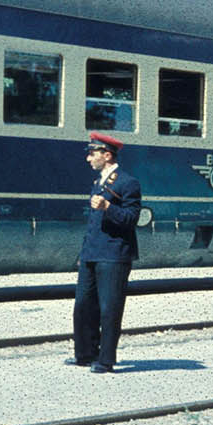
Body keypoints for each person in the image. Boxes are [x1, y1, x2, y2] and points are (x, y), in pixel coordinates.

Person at [70, 132, 142, 373]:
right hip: (92, 253)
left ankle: (106, 359)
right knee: (82, 305)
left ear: (107, 155)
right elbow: (93, 224)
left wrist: (108, 206)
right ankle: (85, 354)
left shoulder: (127, 182)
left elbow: (132, 219)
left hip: (114, 255)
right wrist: (84, 253)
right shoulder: (98, 183)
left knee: (109, 308)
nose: (89, 158)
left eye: (93, 153)